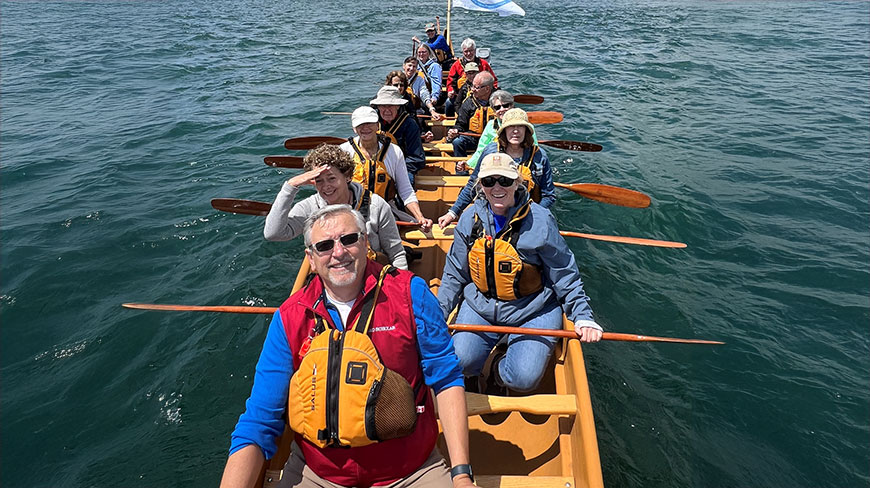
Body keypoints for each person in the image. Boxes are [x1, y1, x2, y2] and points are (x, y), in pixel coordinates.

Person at [221, 205, 475, 488]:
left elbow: (446, 378)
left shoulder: (410, 293)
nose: (339, 252)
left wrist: (462, 474)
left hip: (411, 471)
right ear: (311, 258)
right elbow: (259, 420)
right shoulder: (291, 317)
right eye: (325, 245)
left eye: (349, 239)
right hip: (318, 474)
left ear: (365, 243)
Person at [436, 153, 603, 395]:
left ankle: (497, 370)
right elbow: (454, 273)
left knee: (522, 379)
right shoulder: (469, 220)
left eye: (504, 181)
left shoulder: (541, 220)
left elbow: (564, 272)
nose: (497, 187)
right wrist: (439, 312)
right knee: (459, 361)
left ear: (517, 182)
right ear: (480, 185)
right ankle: (473, 372)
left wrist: (582, 315)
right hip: (480, 305)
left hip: (532, 310)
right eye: (489, 181)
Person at [264, 144, 408, 269]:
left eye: (332, 178)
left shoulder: (376, 205)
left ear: (347, 176)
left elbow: (396, 253)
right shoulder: (310, 207)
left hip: (370, 274)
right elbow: (273, 233)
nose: (326, 187)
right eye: (319, 181)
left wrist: (400, 289)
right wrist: (290, 187)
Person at [439, 108, 553, 229]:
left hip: (526, 214)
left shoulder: (540, 156)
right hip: (492, 212)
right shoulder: (491, 152)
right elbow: (473, 184)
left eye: (520, 126)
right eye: (511, 127)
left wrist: (533, 215)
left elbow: (549, 195)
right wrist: (453, 212)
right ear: (503, 131)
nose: (515, 131)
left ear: (527, 131)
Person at [340, 106, 433, 232]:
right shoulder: (344, 151)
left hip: (385, 209)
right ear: (354, 129)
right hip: (353, 210)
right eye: (361, 125)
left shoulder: (394, 152)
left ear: (377, 125)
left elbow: (405, 190)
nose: (365, 128)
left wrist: (419, 216)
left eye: (370, 123)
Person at [457, 90, 538, 174]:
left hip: (522, 166)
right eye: (497, 107)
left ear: (512, 106)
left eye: (505, 105)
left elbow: (534, 149)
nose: (502, 109)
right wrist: (468, 164)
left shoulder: (527, 126)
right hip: (496, 166)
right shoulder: (490, 126)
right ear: (493, 110)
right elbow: (481, 150)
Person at [369, 86, 429, 188]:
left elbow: (417, 158)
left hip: (402, 168)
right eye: (383, 106)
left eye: (391, 106)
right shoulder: (370, 124)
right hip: (375, 166)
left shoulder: (410, 125)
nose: (387, 110)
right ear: (378, 107)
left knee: (404, 188)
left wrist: (395, 171)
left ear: (398, 106)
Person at [446, 71, 495, 158]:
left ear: (487, 89)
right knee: (457, 142)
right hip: (474, 138)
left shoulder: (500, 101)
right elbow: (460, 123)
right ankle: (461, 169)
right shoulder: (469, 102)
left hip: (493, 139)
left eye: (476, 87)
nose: (472, 90)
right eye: (472, 86)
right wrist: (455, 130)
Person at [445, 38, 498, 116]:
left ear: (475, 50)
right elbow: (450, 81)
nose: (468, 53)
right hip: (461, 94)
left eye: (471, 50)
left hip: (482, 95)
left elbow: (494, 81)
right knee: (448, 103)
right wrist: (451, 91)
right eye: (466, 51)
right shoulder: (456, 65)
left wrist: (493, 92)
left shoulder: (483, 64)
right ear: (462, 52)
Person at [416, 43, 444, 107]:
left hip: (430, 94)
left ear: (428, 53)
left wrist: (434, 97)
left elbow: (436, 82)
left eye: (423, 52)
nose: (421, 54)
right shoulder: (415, 66)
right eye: (419, 52)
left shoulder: (434, 66)